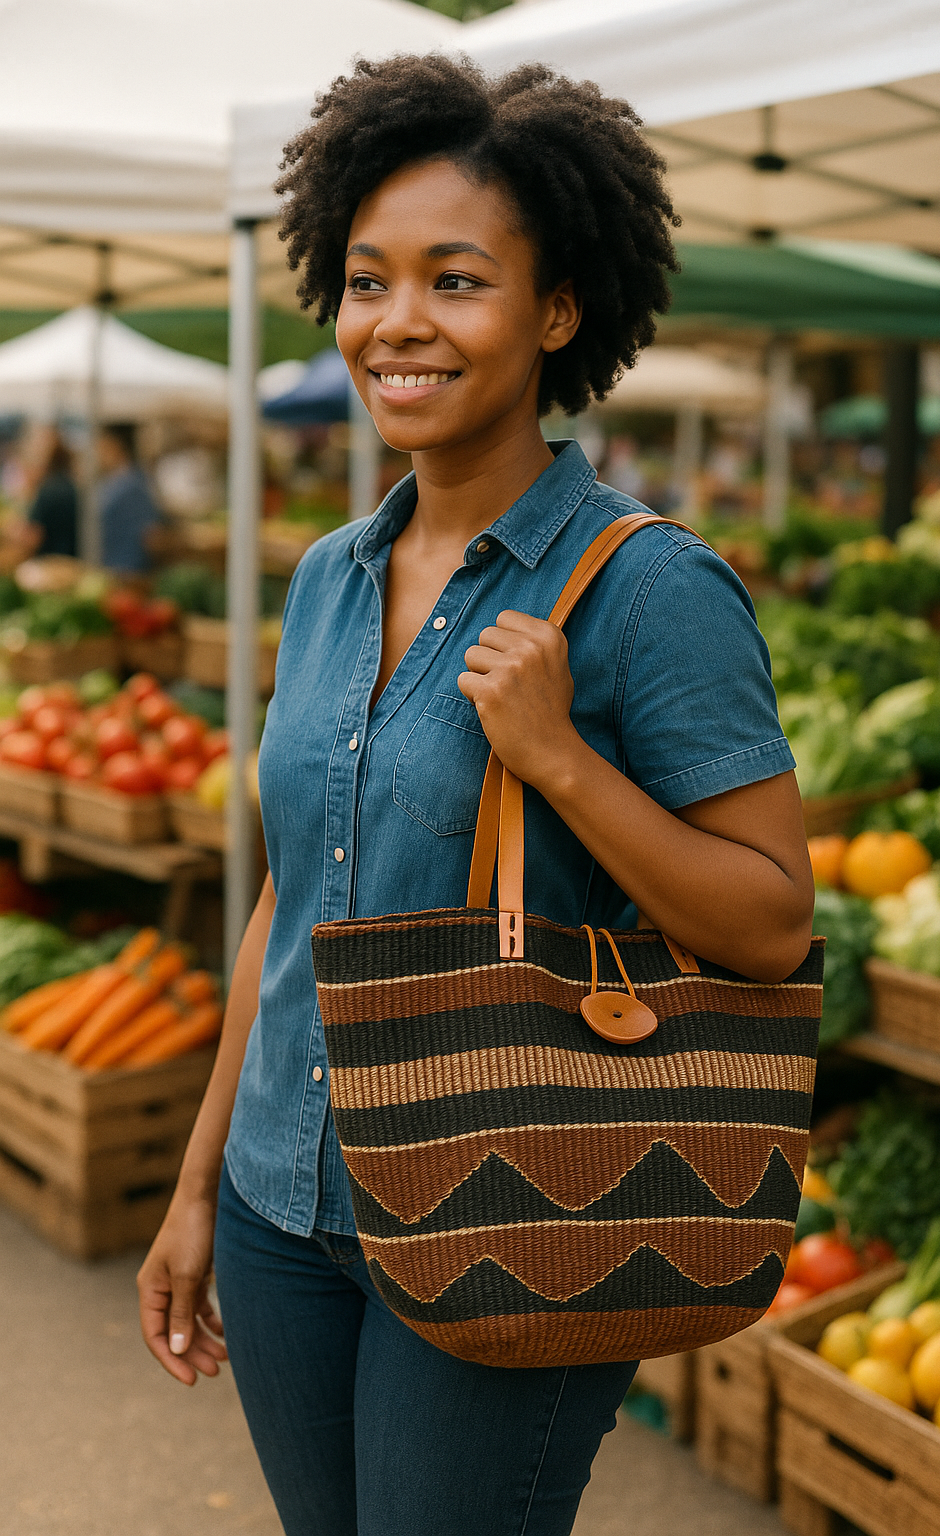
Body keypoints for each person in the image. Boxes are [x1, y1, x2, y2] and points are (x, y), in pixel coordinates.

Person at [137, 55, 814, 1536]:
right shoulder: (329, 577)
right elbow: (290, 894)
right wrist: (197, 1187)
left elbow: (771, 924)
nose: (399, 323)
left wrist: (560, 760)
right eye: (367, 281)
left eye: (457, 280)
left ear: (557, 312)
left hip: (514, 1202)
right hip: (279, 1205)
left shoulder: (651, 589)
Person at [96, 422, 162, 571]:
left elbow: (150, 533)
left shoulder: (132, 485)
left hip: (126, 568)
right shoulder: (114, 481)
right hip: (111, 564)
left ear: (115, 446)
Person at [26, 430, 78, 557]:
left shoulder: (47, 490)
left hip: (48, 556)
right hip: (72, 555)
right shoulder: (73, 487)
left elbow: (35, 532)